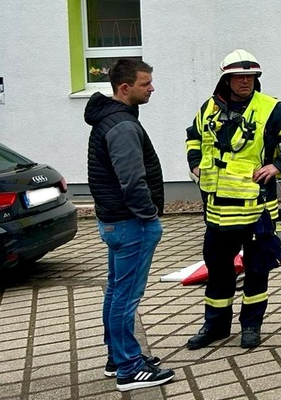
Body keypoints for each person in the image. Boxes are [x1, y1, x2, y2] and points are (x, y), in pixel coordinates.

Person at [184, 49, 281, 350]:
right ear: (226, 79)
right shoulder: (209, 108)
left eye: (250, 77)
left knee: (257, 270)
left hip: (257, 211)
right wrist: (194, 162)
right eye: (239, 77)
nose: (246, 82)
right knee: (218, 271)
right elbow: (193, 136)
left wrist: (279, 165)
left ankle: (251, 325)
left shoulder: (270, 109)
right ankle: (216, 325)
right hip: (217, 211)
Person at [85, 59, 175, 391]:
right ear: (125, 88)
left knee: (116, 291)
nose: (151, 88)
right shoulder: (122, 125)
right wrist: (149, 216)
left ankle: (118, 357)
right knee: (125, 296)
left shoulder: (111, 119)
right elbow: (132, 180)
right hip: (130, 222)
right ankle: (128, 368)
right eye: (145, 83)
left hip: (116, 222)